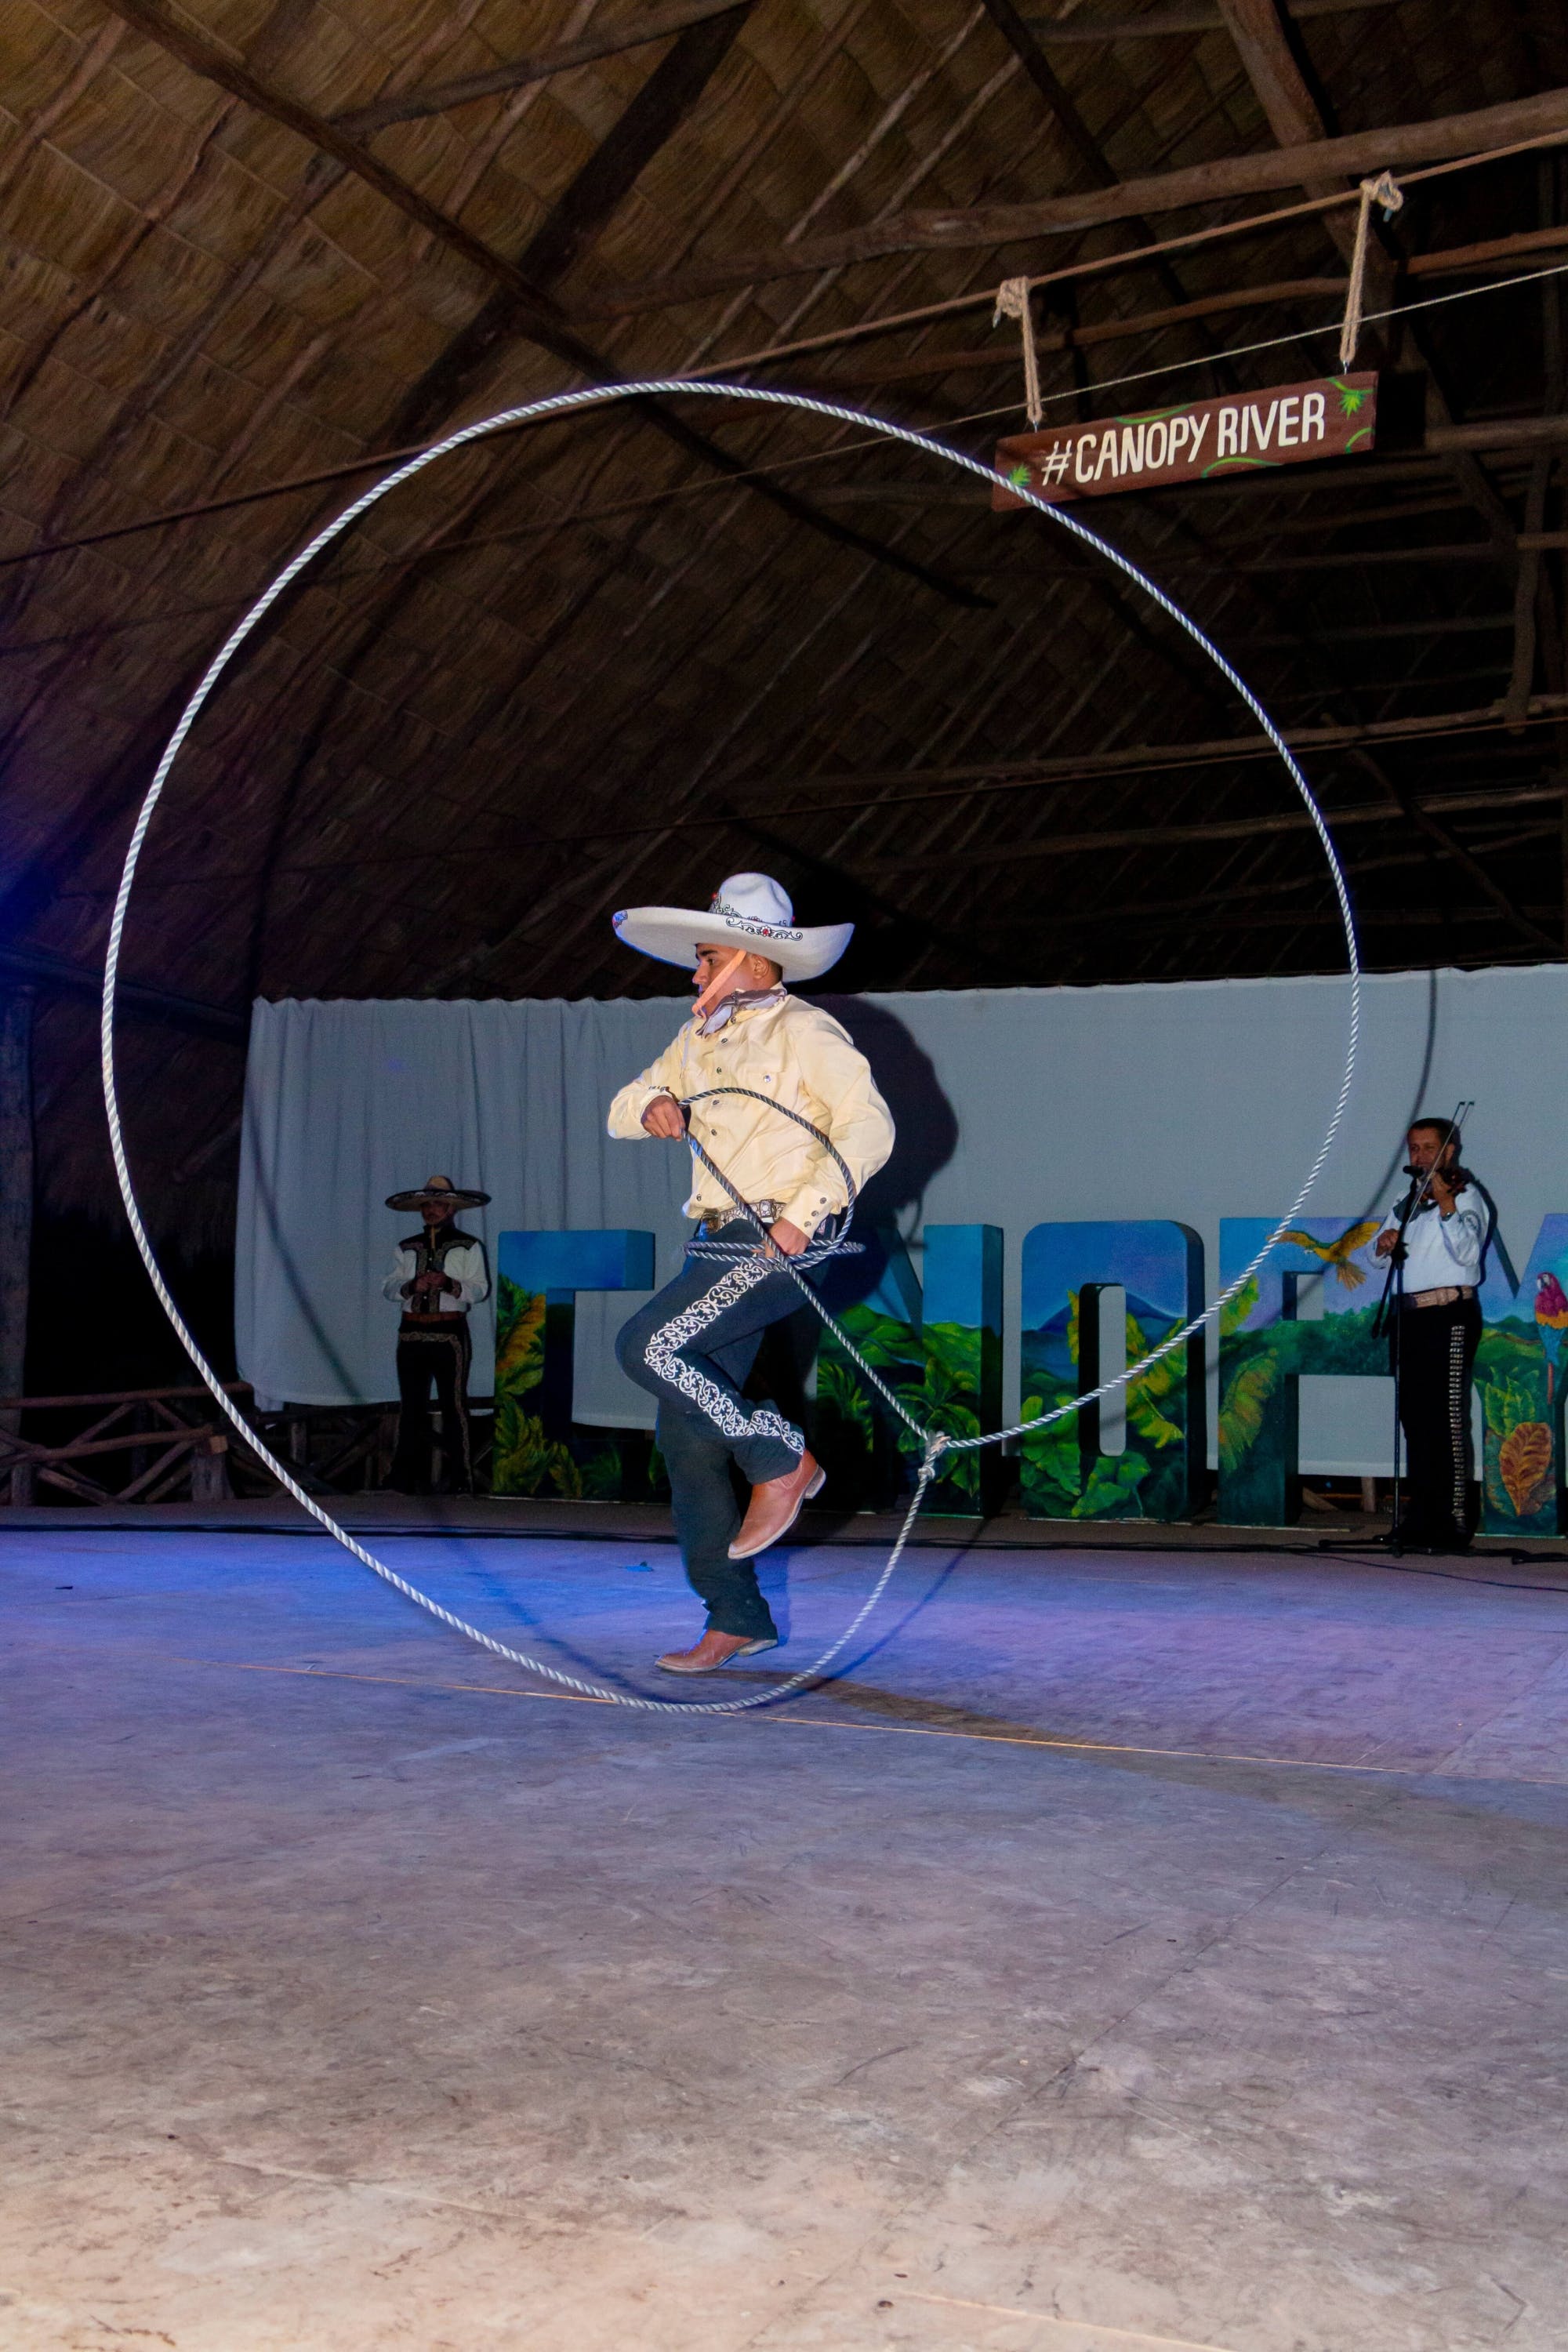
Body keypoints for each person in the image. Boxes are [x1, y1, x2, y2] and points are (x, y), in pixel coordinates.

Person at [608, 873, 894, 1674]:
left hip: (782, 1237)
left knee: (647, 1348)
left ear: (753, 959)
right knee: (685, 1435)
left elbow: (868, 1127)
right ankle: (734, 1615)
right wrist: (652, 1109)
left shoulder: (808, 1031)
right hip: (716, 1240)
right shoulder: (697, 1038)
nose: (694, 973)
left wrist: (802, 1213)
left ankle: (781, 1459)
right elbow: (623, 1103)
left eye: (707, 958)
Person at [1373, 1116, 1486, 1552]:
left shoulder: (1466, 1196)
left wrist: (1447, 1207)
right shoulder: (1405, 1200)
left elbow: (1469, 1252)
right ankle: (1420, 1520)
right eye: (1413, 1148)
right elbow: (1380, 1258)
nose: (1418, 1156)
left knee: (1447, 1420)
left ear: (1449, 1152)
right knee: (1415, 1421)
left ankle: (1454, 1524)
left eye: (1427, 1148)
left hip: (1450, 1314)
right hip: (1411, 1316)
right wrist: (1382, 1247)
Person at [383, 1174, 491, 1494]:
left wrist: (448, 1284)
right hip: (411, 1331)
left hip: (449, 1332)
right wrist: (411, 1286)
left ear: (450, 1209)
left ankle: (461, 1479)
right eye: (427, 1205)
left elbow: (480, 1291)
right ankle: (403, 1477)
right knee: (411, 1405)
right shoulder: (406, 1247)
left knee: (453, 1405)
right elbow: (388, 1288)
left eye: (438, 1204)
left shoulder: (469, 1246)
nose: (432, 1210)